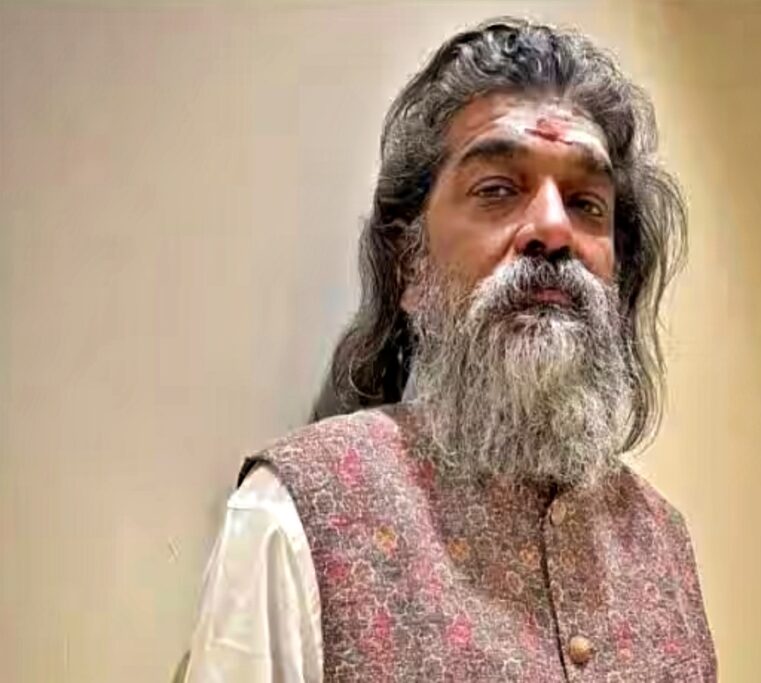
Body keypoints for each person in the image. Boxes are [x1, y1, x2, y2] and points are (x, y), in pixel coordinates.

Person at [184, 16, 716, 682]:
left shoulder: (663, 543)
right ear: (408, 263)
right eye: (497, 190)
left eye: (587, 203)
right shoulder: (296, 516)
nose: (554, 229)